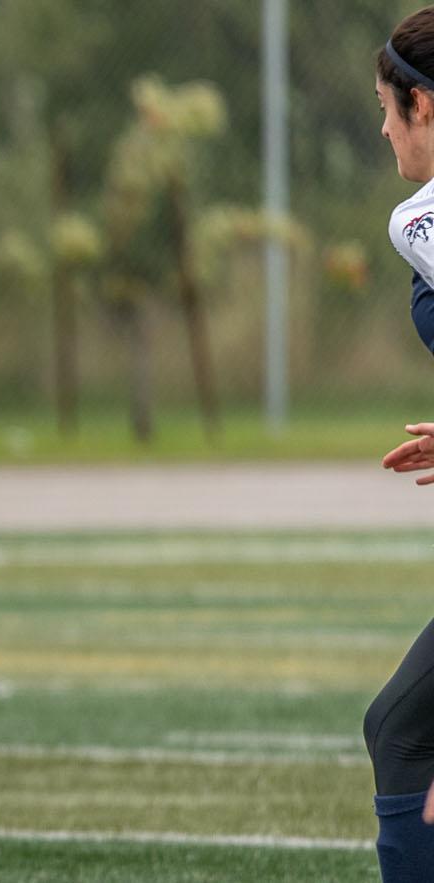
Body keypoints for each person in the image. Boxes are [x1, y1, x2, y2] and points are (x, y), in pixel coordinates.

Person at [372, 8, 434, 880]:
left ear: (423, 105)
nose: (382, 127)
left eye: (387, 107)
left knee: (402, 730)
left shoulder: (420, 220)